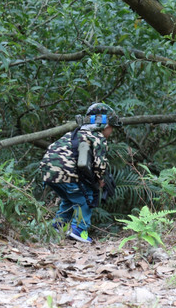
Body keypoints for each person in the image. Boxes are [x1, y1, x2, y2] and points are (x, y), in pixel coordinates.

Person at [40, 103, 122, 243]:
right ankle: (79, 230)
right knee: (85, 199)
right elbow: (99, 163)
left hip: (48, 173)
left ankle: (57, 227)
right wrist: (101, 179)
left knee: (69, 199)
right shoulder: (97, 137)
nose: (111, 132)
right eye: (112, 128)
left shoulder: (74, 133)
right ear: (105, 126)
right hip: (67, 173)